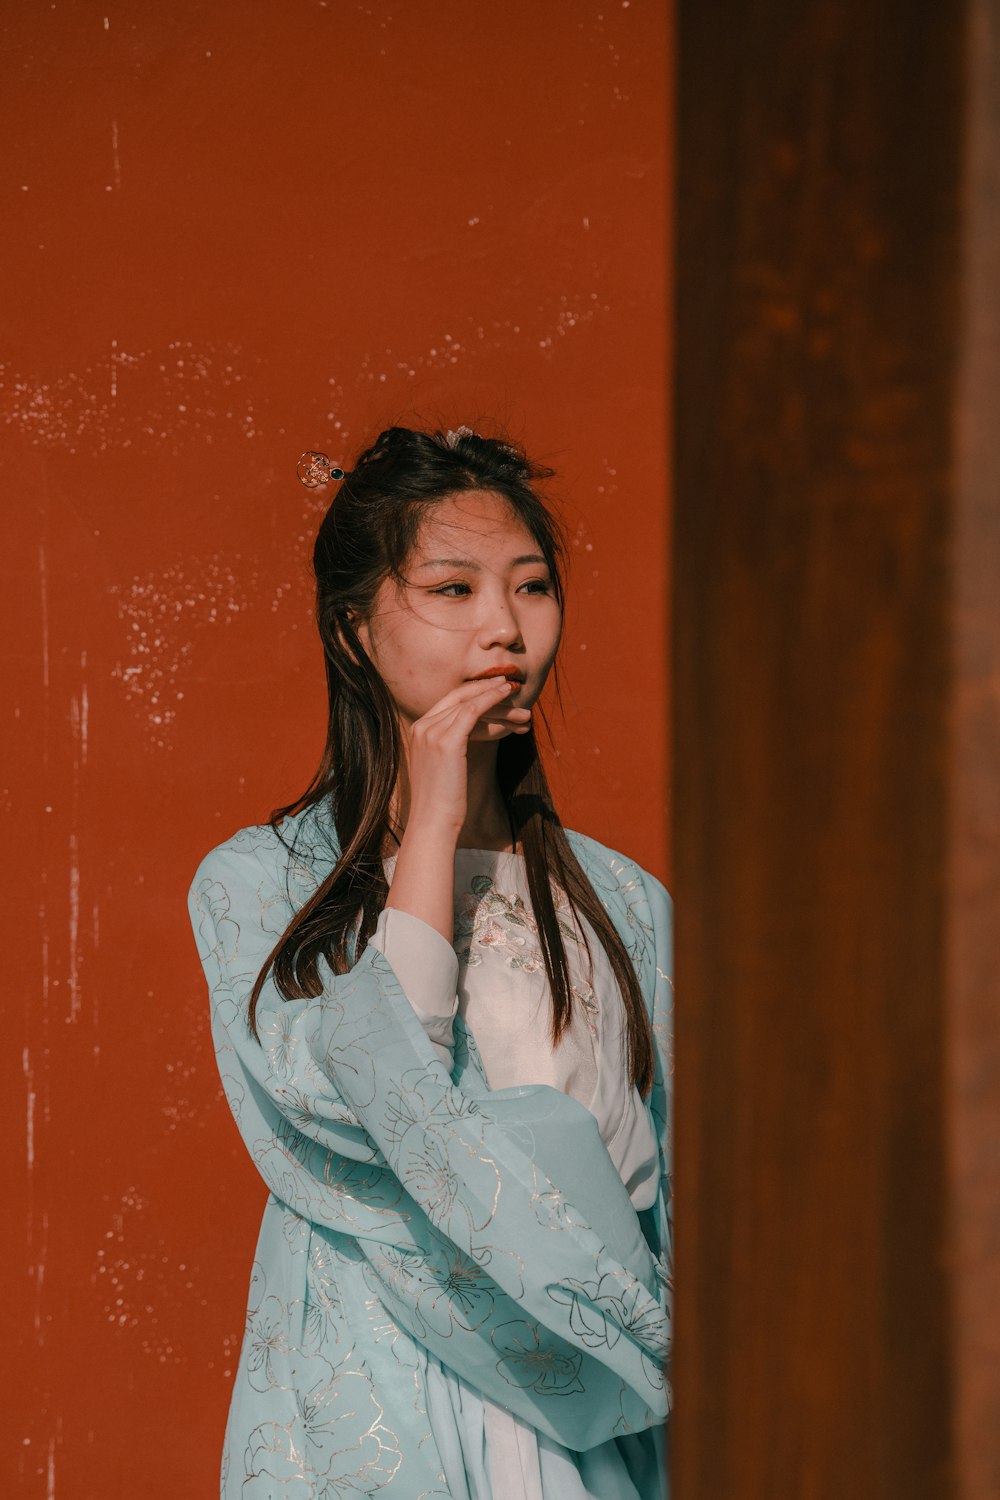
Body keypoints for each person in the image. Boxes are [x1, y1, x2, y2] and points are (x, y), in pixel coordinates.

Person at [186, 423, 674, 1499]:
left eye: (532, 587)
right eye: (452, 589)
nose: (505, 627)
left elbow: (677, 1193)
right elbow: (371, 1094)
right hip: (385, 1376)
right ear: (354, 627)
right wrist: (436, 814)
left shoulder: (626, 903)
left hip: (597, 1399)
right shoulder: (263, 882)